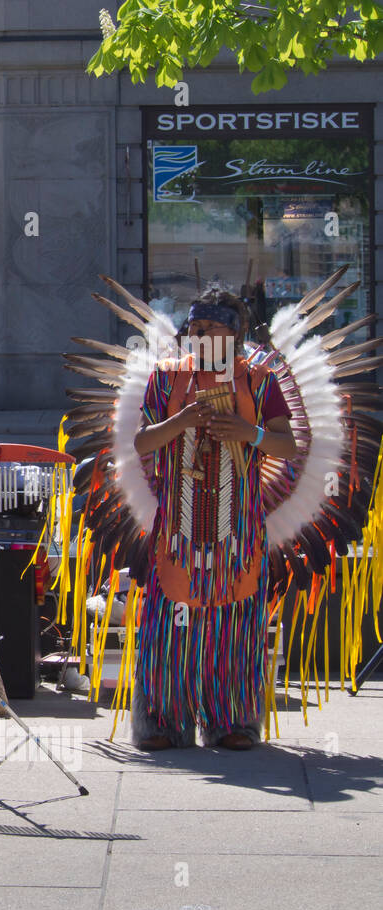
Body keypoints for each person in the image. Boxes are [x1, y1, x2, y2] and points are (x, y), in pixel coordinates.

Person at [131, 284, 297, 751]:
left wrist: (249, 432)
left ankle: (233, 724)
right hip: (178, 527)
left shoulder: (259, 380)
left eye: (207, 328)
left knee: (236, 622)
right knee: (168, 625)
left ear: (234, 332)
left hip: (237, 529)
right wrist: (180, 422)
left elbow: (287, 445)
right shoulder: (167, 378)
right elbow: (143, 442)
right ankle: (162, 722)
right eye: (193, 327)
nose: (196, 335)